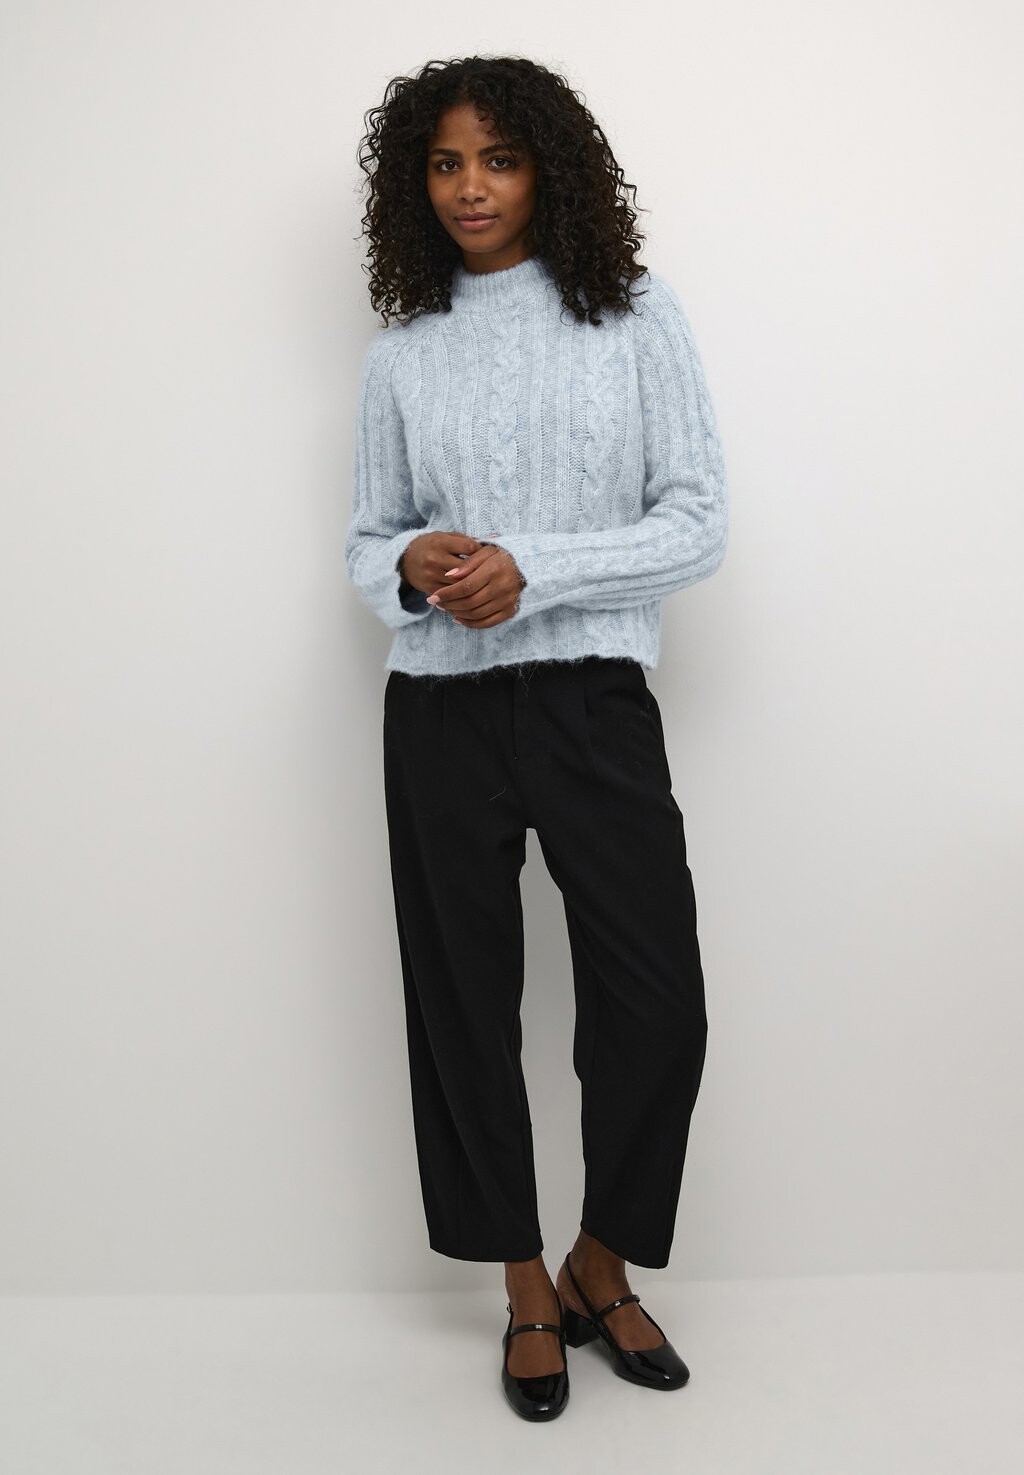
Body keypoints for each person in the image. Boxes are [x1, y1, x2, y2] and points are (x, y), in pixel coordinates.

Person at [346, 55, 728, 1422]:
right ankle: (522, 1285)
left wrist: (538, 568)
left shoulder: (633, 316)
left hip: (591, 702)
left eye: (497, 160)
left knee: (657, 1000)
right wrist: (409, 568)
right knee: (464, 1002)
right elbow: (368, 541)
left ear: (547, 170)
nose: (470, 188)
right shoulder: (404, 352)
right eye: (445, 163)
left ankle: (598, 1262)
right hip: (440, 708)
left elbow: (697, 522)